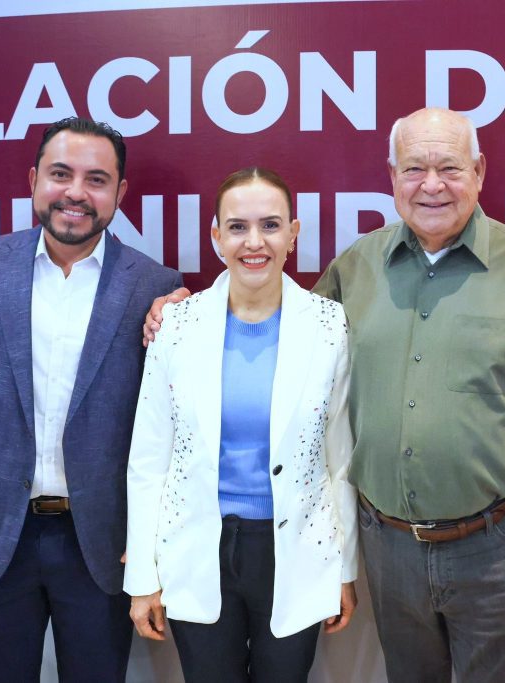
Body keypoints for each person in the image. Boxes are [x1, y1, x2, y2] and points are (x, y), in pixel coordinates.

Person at [144, 108, 505, 683]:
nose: (431, 185)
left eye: (450, 168)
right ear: (392, 177)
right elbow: (278, 319)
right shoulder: (356, 267)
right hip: (389, 549)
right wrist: (182, 313)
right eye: (414, 168)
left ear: (478, 171)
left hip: (497, 548)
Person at [0, 117, 182, 681]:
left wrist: (158, 535)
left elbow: (172, 427)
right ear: (33, 181)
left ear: (120, 192)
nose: (76, 192)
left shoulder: (155, 287)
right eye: (60, 174)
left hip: (102, 545)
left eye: (96, 179)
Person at [124, 167, 357, 683]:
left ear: (293, 234)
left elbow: (340, 461)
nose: (254, 242)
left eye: (270, 225)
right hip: (197, 548)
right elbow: (149, 461)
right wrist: (143, 576)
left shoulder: (329, 325)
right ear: (216, 236)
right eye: (237, 227)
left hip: (300, 550)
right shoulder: (175, 326)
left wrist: (344, 570)